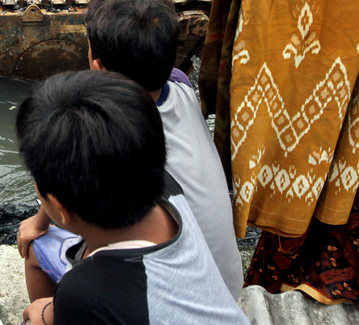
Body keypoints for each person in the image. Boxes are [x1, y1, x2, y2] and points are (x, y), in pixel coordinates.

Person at [18, 0, 243, 302]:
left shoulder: (122, 138)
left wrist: (38, 221)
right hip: (226, 284)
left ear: (98, 68)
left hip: (172, 290)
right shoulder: (179, 83)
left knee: (35, 249)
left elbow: (66, 188)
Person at [16, 70, 248, 324]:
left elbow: (72, 303)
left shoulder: (83, 293)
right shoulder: (166, 188)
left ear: (60, 208)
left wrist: (41, 312)